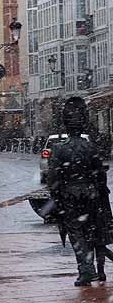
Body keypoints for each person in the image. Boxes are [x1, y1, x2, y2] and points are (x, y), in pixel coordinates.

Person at [46, 97, 113, 286]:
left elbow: (53, 177)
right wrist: (98, 191)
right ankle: (93, 269)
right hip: (91, 196)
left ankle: (86, 270)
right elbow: (100, 173)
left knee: (76, 233)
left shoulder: (59, 149)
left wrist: (56, 195)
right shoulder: (90, 147)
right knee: (92, 232)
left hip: (70, 197)